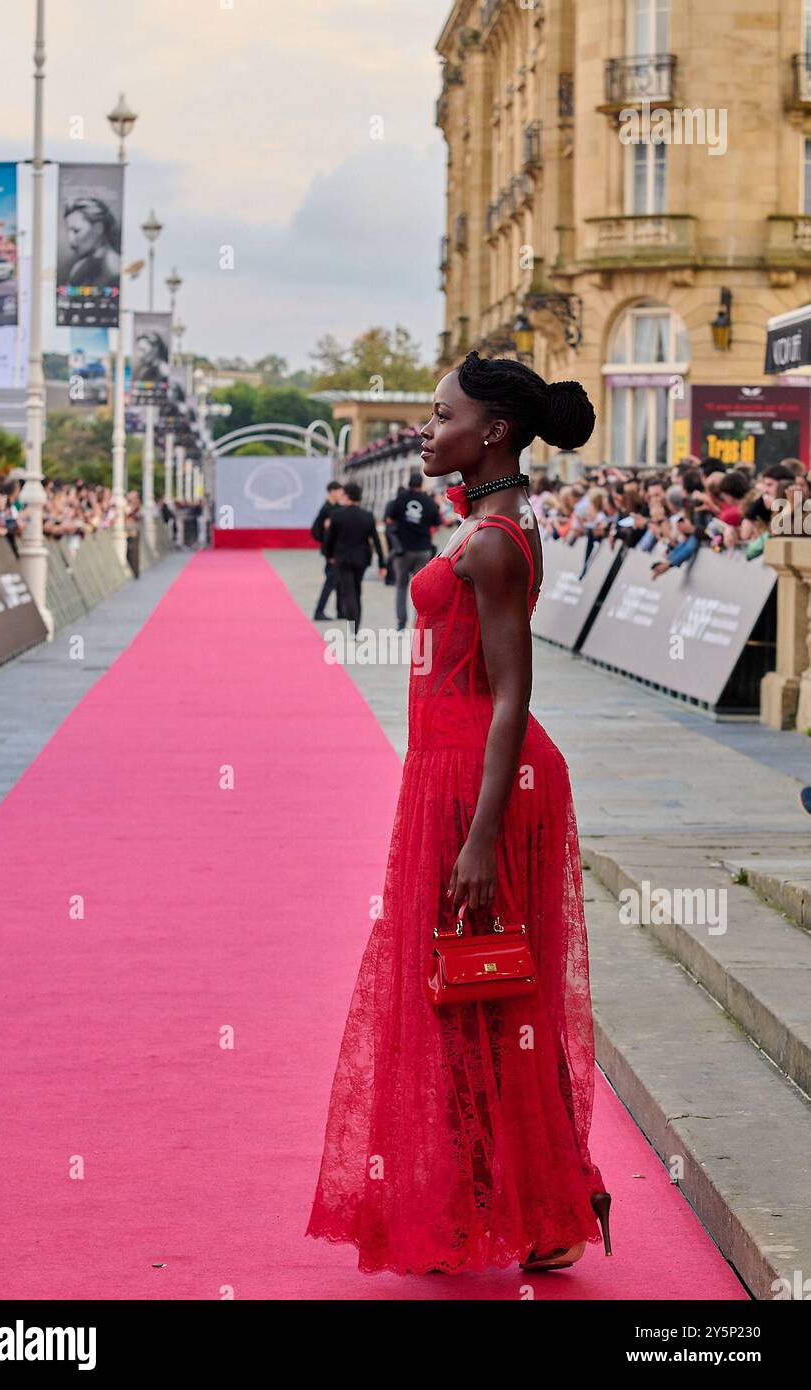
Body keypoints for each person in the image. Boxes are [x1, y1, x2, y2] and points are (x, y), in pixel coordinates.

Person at [307, 350, 611, 1276]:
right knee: (462, 993)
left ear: (495, 434)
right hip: (451, 771)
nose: (426, 432)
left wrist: (481, 837)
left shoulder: (492, 542)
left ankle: (538, 1210)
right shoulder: (480, 526)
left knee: (490, 990)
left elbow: (514, 692)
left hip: (486, 781)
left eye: (442, 418)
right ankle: (484, 1201)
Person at [323, 482, 386, 635]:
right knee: (357, 590)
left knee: (348, 592)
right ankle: (356, 627)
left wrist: (329, 555)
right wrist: (382, 564)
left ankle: (353, 629)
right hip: (362, 559)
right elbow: (376, 541)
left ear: (348, 496)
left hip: (342, 558)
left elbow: (330, 539)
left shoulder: (337, 515)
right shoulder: (367, 516)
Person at [384, 470, 441, 630]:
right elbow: (436, 522)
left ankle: (401, 624)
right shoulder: (428, 502)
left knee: (401, 587)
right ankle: (418, 622)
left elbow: (389, 517)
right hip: (423, 549)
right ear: (421, 485)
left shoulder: (400, 499)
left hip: (403, 550)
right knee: (420, 589)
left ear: (409, 484)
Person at [62, 198, 121, 288]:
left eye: (76, 231)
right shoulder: (80, 267)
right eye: (69, 232)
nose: (71, 241)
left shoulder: (115, 270)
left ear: (98, 228)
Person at [310, 481, 345, 620]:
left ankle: (340, 611)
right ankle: (319, 611)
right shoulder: (326, 509)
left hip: (338, 550)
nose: (341, 495)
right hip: (332, 552)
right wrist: (325, 540)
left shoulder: (337, 508)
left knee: (339, 582)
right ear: (332, 492)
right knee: (330, 582)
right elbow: (315, 530)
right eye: (339, 492)